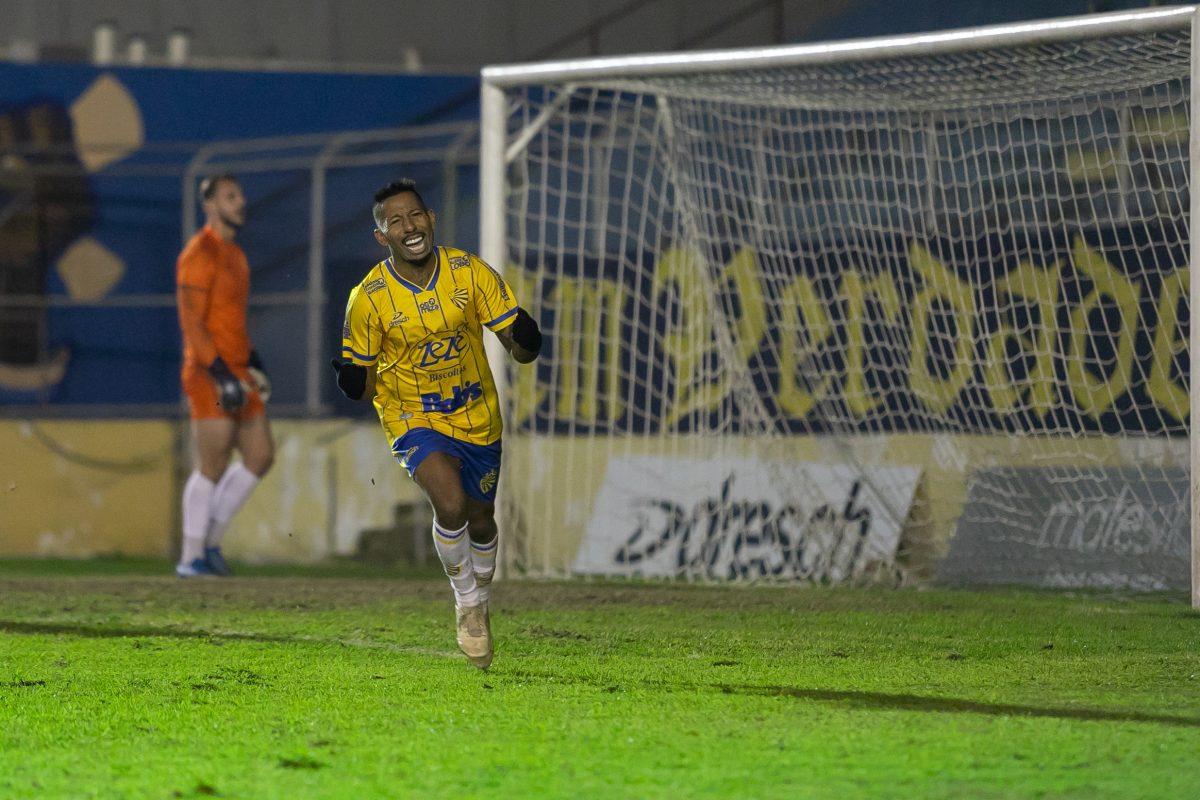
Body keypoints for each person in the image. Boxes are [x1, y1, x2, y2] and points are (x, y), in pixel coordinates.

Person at [331, 179, 543, 670]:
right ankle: (466, 602)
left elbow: (518, 346)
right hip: (412, 416)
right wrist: (351, 381)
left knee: (482, 518)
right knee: (449, 503)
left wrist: (529, 339)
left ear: (432, 220)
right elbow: (362, 387)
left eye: (415, 216)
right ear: (382, 236)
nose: (409, 227)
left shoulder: (469, 273)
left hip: (477, 415)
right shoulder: (368, 298)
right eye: (395, 222)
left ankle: (482, 599)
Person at [175, 173, 275, 577]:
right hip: (207, 372)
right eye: (231, 196)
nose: (240, 202)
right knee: (213, 463)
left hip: (236, 367)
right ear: (211, 205)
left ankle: (211, 543)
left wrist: (252, 360)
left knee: (260, 455)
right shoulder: (199, 253)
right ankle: (190, 556)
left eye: (241, 194)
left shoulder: (236, 255)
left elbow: (230, 319)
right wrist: (220, 373)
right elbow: (192, 323)